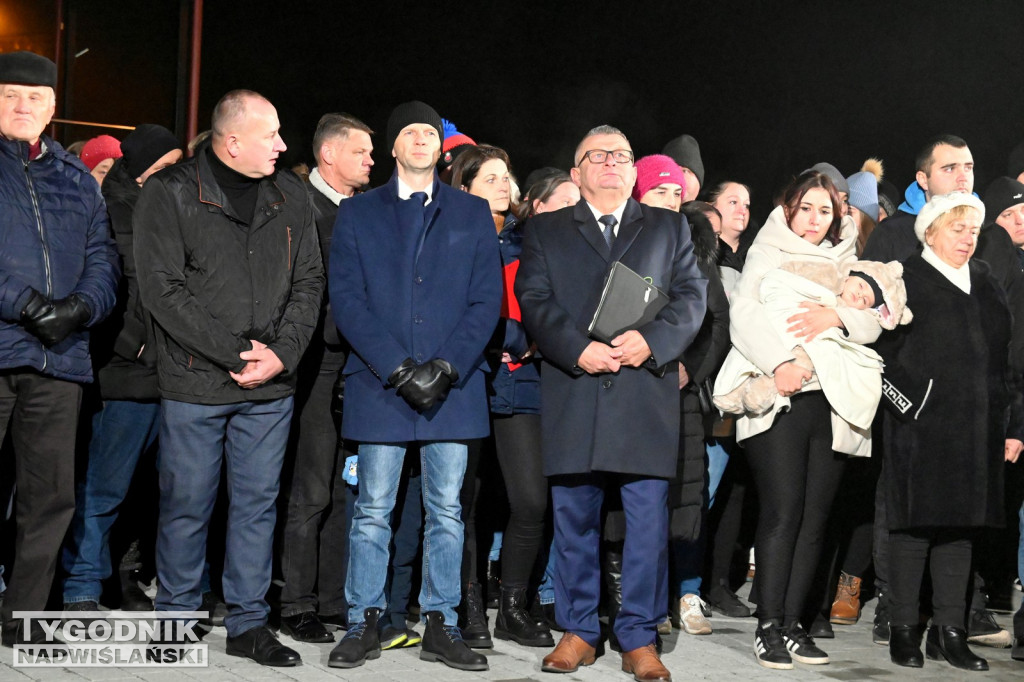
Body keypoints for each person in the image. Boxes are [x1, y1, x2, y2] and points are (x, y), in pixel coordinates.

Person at [134, 89, 324, 667]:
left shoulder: (289, 193)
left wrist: (281, 355)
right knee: (188, 502)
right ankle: (178, 618)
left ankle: (246, 623)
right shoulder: (169, 193)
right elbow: (162, 290)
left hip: (269, 387)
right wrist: (237, 354)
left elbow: (310, 281)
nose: (283, 145)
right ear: (232, 139)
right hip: (196, 380)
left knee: (257, 505)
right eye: (272, 134)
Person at [516, 124, 707, 681]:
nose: (610, 163)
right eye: (596, 156)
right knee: (574, 518)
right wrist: (578, 350)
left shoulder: (670, 226)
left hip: (643, 392)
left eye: (620, 155)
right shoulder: (547, 229)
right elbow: (534, 298)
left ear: (632, 171)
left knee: (648, 525)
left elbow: (692, 298)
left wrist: (653, 341)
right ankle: (579, 630)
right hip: (576, 388)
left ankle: (639, 637)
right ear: (576, 174)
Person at [328, 100, 501, 672]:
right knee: (373, 509)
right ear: (393, 148)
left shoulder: (472, 212)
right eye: (410, 132)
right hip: (382, 386)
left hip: (452, 389)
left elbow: (486, 301)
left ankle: (441, 624)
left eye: (431, 131)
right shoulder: (359, 214)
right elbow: (348, 301)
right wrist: (399, 369)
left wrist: (447, 367)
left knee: (447, 510)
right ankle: (364, 621)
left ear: (440, 147)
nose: (423, 139)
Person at [728, 171, 883, 669]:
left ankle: (794, 624)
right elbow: (744, 315)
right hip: (782, 395)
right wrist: (781, 364)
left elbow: (879, 316)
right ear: (788, 209)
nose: (814, 220)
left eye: (825, 210)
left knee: (816, 519)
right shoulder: (765, 250)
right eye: (805, 208)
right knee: (783, 511)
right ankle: (768, 624)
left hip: (833, 399)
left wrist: (837, 316)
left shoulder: (849, 260)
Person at [873, 193, 1024, 671]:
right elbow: (882, 354)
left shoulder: (986, 281)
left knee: (961, 530)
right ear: (931, 231)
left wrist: (1013, 423)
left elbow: (1008, 359)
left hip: (978, 427)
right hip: (920, 426)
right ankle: (903, 629)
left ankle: (949, 631)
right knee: (914, 526)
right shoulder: (906, 278)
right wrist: (912, 404)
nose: (967, 238)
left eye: (972, 230)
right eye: (956, 228)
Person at [0, 50, 119, 646]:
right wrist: (23, 304)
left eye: (36, 97)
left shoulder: (77, 180)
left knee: (50, 499)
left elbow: (104, 261)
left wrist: (78, 309)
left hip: (58, 357)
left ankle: (23, 619)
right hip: (3, 343)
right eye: (11, 95)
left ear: (52, 106)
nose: (24, 106)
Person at [62, 123, 182, 614]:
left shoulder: (173, 211)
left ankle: (120, 577)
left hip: (171, 376)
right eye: (166, 166)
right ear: (142, 169)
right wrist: (131, 347)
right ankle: (81, 587)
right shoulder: (106, 210)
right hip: (125, 373)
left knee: (147, 494)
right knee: (103, 487)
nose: (176, 175)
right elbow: (109, 288)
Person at [449, 144, 555, 649]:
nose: (500, 182)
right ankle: (468, 606)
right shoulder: (450, 235)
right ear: (464, 187)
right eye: (488, 176)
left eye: (504, 175)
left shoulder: (530, 238)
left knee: (532, 500)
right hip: (470, 379)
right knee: (463, 503)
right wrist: (513, 339)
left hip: (524, 385)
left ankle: (511, 606)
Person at [276, 112, 373, 644]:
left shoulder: (362, 211)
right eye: (362, 152)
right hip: (312, 363)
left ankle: (334, 600)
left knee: (346, 486)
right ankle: (296, 602)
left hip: (358, 365)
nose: (371, 161)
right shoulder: (295, 204)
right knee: (310, 487)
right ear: (329, 155)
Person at [716, 260, 909, 417]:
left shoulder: (851, 312)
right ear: (849, 277)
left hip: (811, 372)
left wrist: (836, 316)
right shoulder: (826, 275)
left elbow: (872, 326)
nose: (859, 294)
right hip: (778, 334)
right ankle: (735, 392)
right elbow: (755, 301)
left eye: (865, 300)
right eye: (860, 285)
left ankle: (762, 389)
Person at [862, 135, 974, 264]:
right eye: (949, 169)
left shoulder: (988, 235)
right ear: (923, 180)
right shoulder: (891, 233)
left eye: (968, 168)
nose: (963, 177)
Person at [661, 135, 704, 203]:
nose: (678, 177)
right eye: (672, 170)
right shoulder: (645, 211)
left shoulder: (709, 213)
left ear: (698, 182)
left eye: (685, 171)